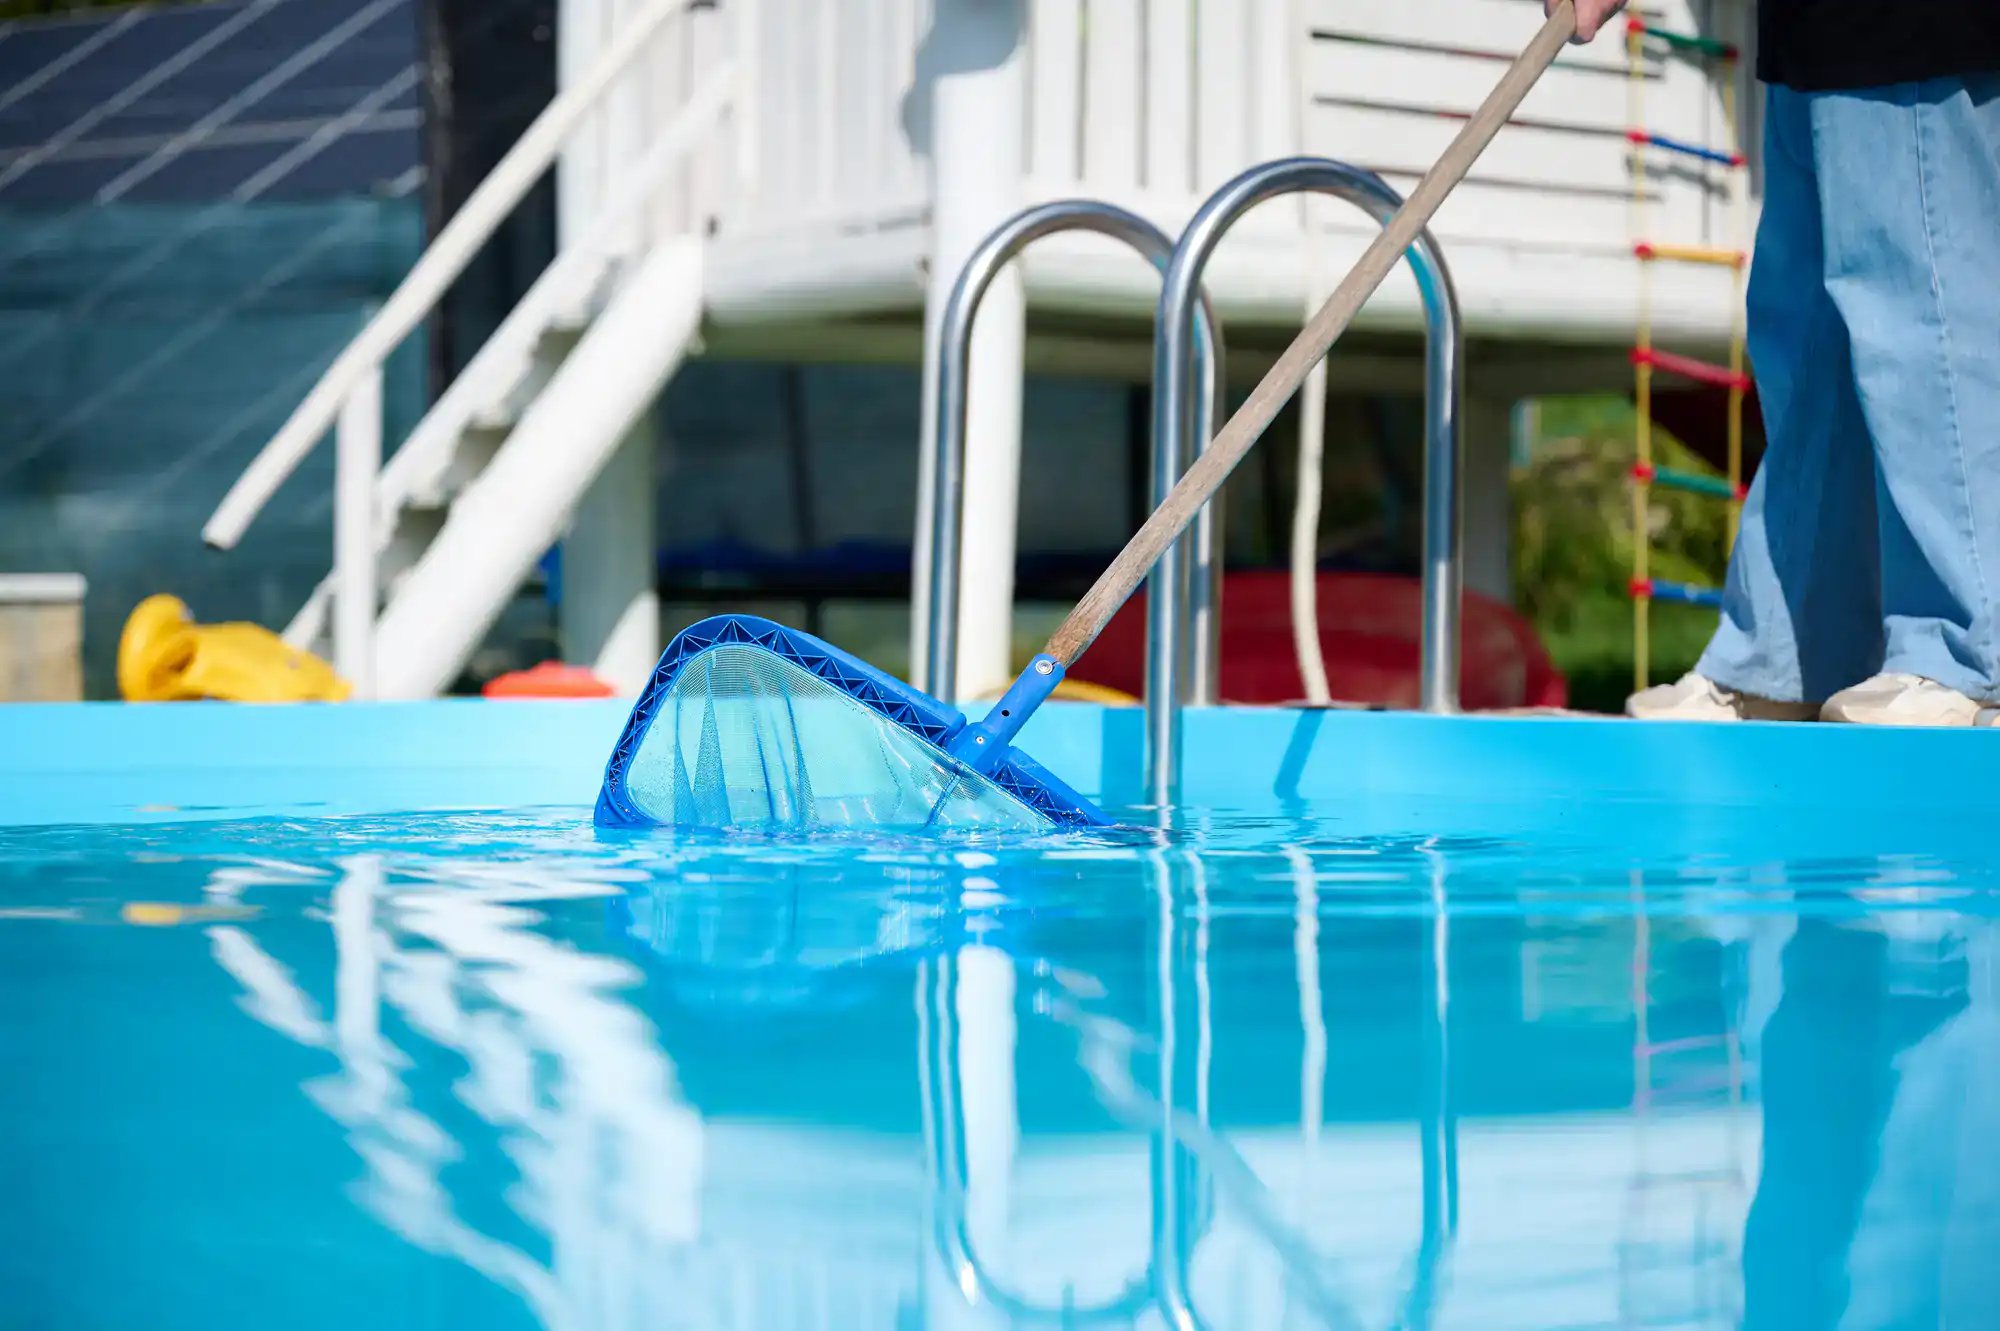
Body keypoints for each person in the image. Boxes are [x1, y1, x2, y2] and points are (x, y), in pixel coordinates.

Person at [1555, 0, 2000, 725]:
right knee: (1810, 346)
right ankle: (1789, 659)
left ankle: (1972, 654)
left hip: (1915, 27)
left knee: (1924, 311)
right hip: (1810, 35)